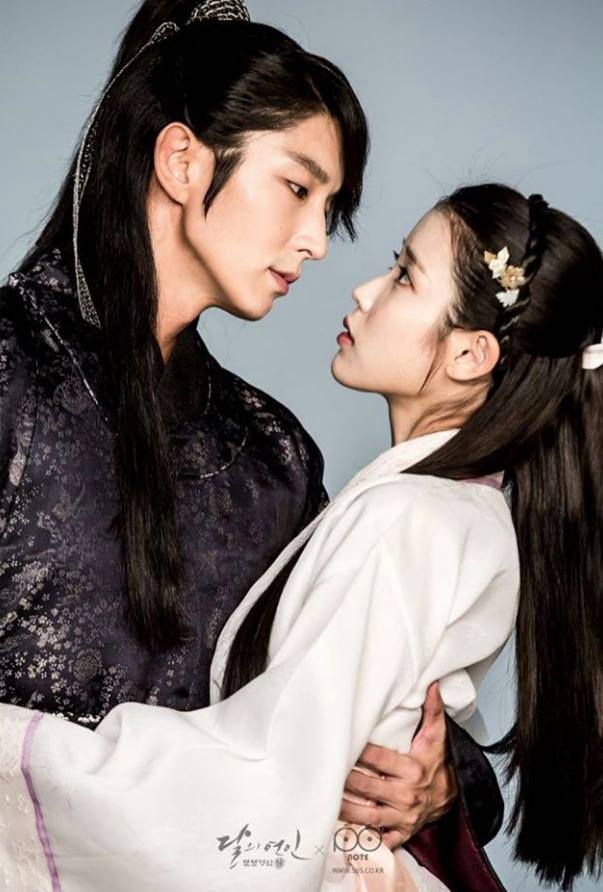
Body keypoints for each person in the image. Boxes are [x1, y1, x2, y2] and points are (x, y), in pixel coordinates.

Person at [0, 0, 495, 883]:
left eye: (330, 208)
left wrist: (442, 780)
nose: (316, 243)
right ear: (182, 161)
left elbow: (343, 686)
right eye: (298, 189)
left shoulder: (273, 455)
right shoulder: (9, 366)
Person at [4, 179, 600, 891]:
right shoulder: (450, 513)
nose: (363, 291)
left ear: (471, 356)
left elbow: (262, 779)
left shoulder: (404, 515)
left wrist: (21, 751)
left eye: (404, 277)